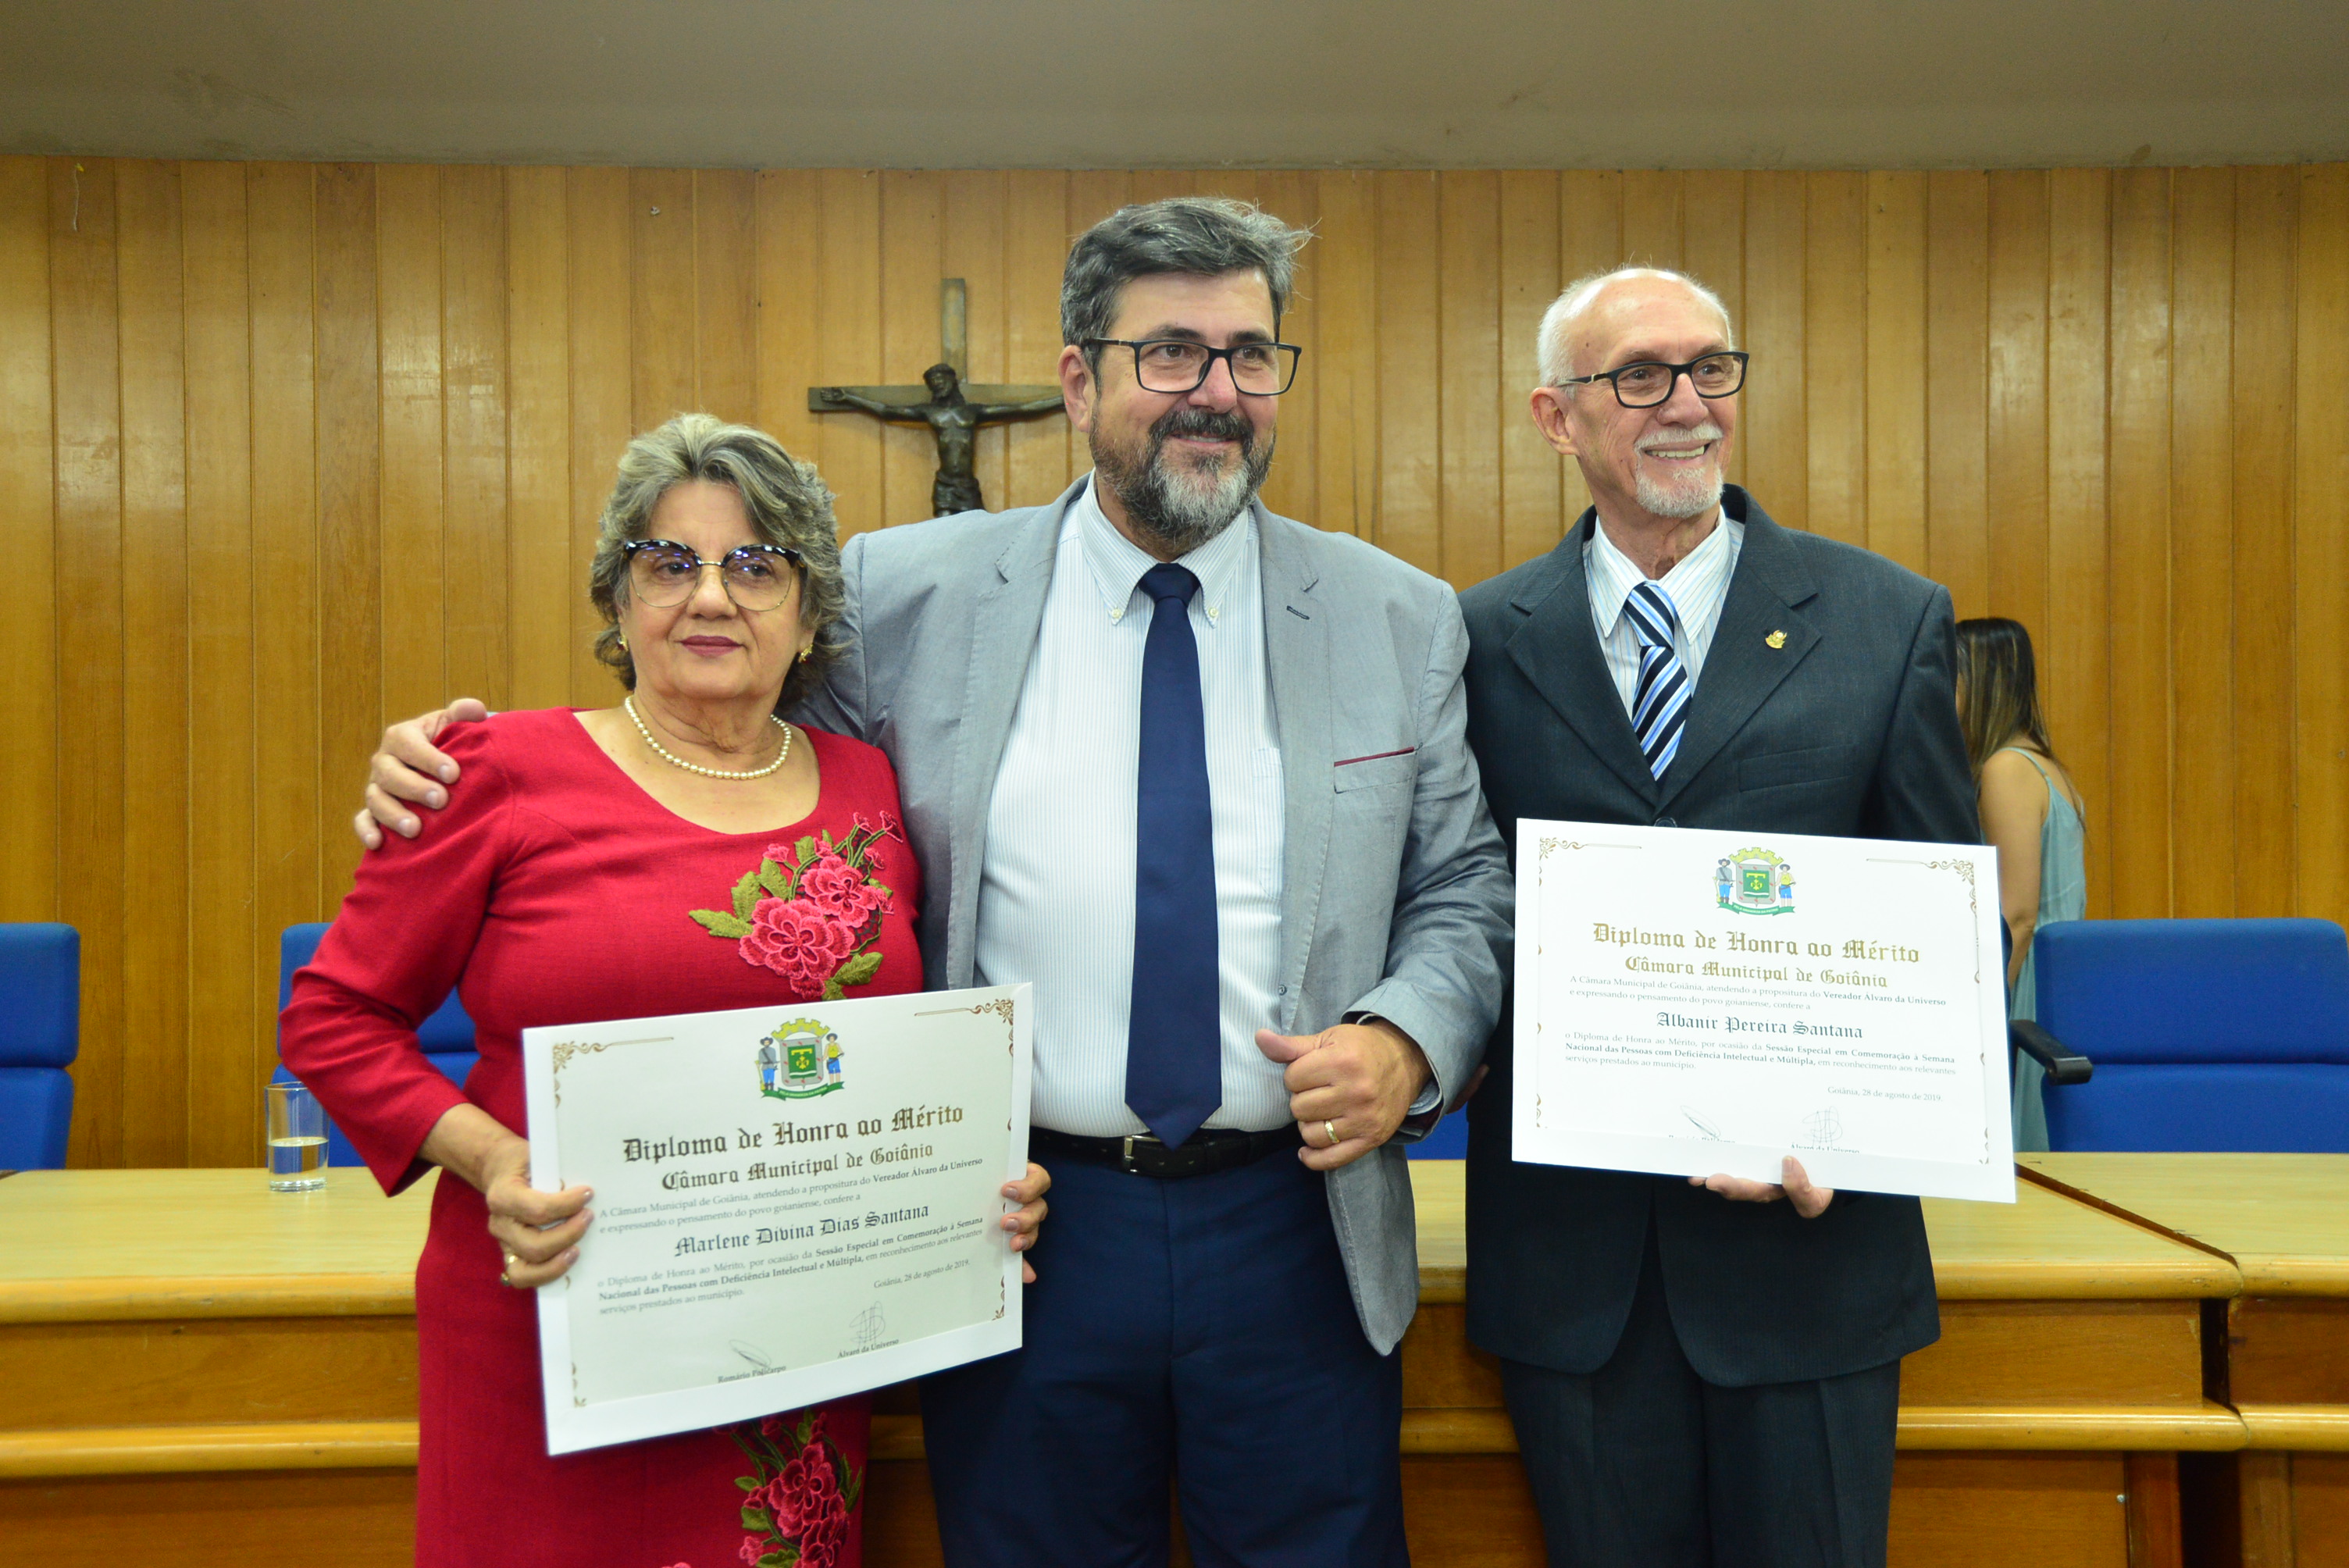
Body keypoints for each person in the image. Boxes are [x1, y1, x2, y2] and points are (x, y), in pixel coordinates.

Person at [358, 198, 1514, 1568]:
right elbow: (722, 761)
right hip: (1007, 1221)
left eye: (1250, 355)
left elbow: (1463, 883)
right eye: (1169, 352)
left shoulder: (1395, 613)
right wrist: (471, 765)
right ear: (1077, 380)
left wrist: (1404, 1038)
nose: (1214, 390)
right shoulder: (900, 596)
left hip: (1298, 1223)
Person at [283, 415, 1050, 1568]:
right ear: (619, 594)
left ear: (809, 612)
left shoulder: (870, 786)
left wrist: (970, 1191)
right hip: (556, 1317)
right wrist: (494, 1160)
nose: (711, 598)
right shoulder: (492, 773)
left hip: (799, 1348)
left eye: (756, 566)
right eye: (670, 562)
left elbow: (912, 1043)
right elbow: (334, 1017)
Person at [1457, 267, 1981, 1568]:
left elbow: (1948, 930)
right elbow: (1456, 903)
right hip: (1575, 1271)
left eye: (1710, 368)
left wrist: (1847, 1120)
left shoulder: (1884, 619)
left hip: (1810, 1260)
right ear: (1556, 416)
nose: (1687, 404)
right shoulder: (1474, 640)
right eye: (1640, 375)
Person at [1957, 615, 2086, 1153]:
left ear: (1982, 684)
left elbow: (2018, 915)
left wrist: (1980, 1014)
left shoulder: (2006, 769)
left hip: (2023, 981)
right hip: (2057, 979)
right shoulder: (2044, 764)